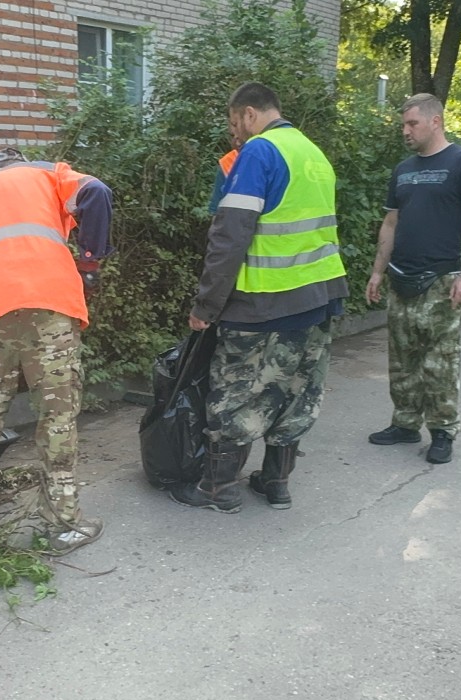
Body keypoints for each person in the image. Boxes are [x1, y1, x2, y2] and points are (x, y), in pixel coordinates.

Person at [169, 82, 349, 513]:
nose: (237, 134)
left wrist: (206, 306)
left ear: (249, 114)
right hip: (320, 297)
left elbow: (230, 235)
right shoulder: (312, 153)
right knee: (296, 392)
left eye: (236, 124)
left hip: (265, 302)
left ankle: (219, 488)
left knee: (233, 395)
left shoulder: (260, 152)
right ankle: (275, 482)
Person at [0, 146, 114, 553]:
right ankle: (62, 524)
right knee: (56, 414)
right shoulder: (45, 173)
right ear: (21, 162)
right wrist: (90, 262)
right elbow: (97, 193)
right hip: (48, 302)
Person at [365, 93, 461, 464]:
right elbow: (391, 222)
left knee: (439, 362)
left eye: (412, 123)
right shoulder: (402, 170)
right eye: (403, 124)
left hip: (442, 280)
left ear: (435, 121)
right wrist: (377, 270)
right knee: (402, 358)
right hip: (401, 278)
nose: (405, 131)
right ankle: (404, 424)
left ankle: (442, 431)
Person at [207, 134, 243, 215]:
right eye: (232, 136)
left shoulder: (262, 159)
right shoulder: (227, 162)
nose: (237, 143)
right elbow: (216, 206)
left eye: (240, 136)